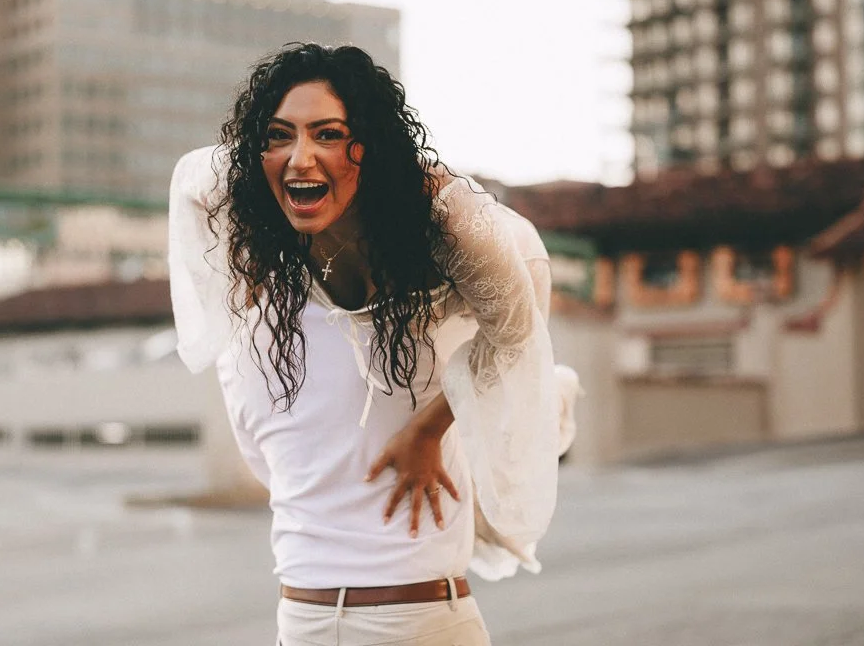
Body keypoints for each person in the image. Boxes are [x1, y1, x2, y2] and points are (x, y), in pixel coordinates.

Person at [167, 43, 579, 646]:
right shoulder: (273, 309)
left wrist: (428, 429)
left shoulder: (439, 221)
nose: (301, 156)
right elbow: (198, 180)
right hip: (301, 623)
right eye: (279, 135)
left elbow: (518, 321)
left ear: (369, 150)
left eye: (328, 134)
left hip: (417, 624)